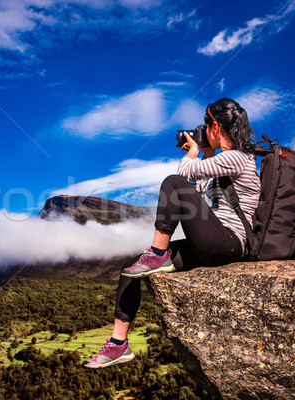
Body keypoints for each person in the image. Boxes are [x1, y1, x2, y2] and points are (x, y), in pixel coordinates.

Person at [83, 98, 261, 368]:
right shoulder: (224, 161)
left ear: (214, 125)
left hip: (230, 243)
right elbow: (196, 201)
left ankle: (157, 252)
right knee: (132, 267)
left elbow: (184, 173)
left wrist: (192, 152)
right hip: (214, 240)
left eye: (205, 125)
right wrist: (206, 153)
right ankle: (118, 344)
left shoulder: (238, 157)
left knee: (172, 182)